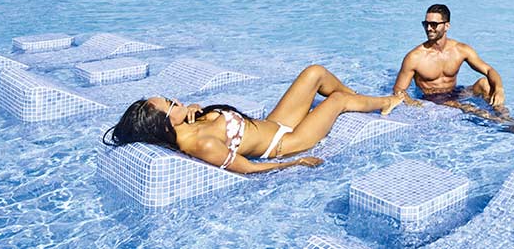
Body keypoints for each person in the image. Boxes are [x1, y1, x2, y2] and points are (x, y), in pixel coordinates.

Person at [103, 65, 401, 174]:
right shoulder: (203, 144)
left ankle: (366, 100)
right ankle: (387, 103)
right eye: (171, 103)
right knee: (336, 100)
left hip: (275, 123)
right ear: (165, 123)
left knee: (315, 73)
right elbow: (247, 168)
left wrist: (195, 108)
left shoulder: (188, 122)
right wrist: (294, 163)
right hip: (287, 142)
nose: (176, 100)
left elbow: (199, 115)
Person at [392, 4, 514, 132]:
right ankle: (503, 126)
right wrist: (411, 102)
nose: (429, 28)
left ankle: (506, 117)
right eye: (426, 24)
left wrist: (499, 89)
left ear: (446, 26)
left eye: (434, 24)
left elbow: (489, 70)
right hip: (433, 98)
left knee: (485, 83)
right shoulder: (415, 57)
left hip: (455, 92)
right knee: (470, 108)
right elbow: (399, 89)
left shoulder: (460, 50)